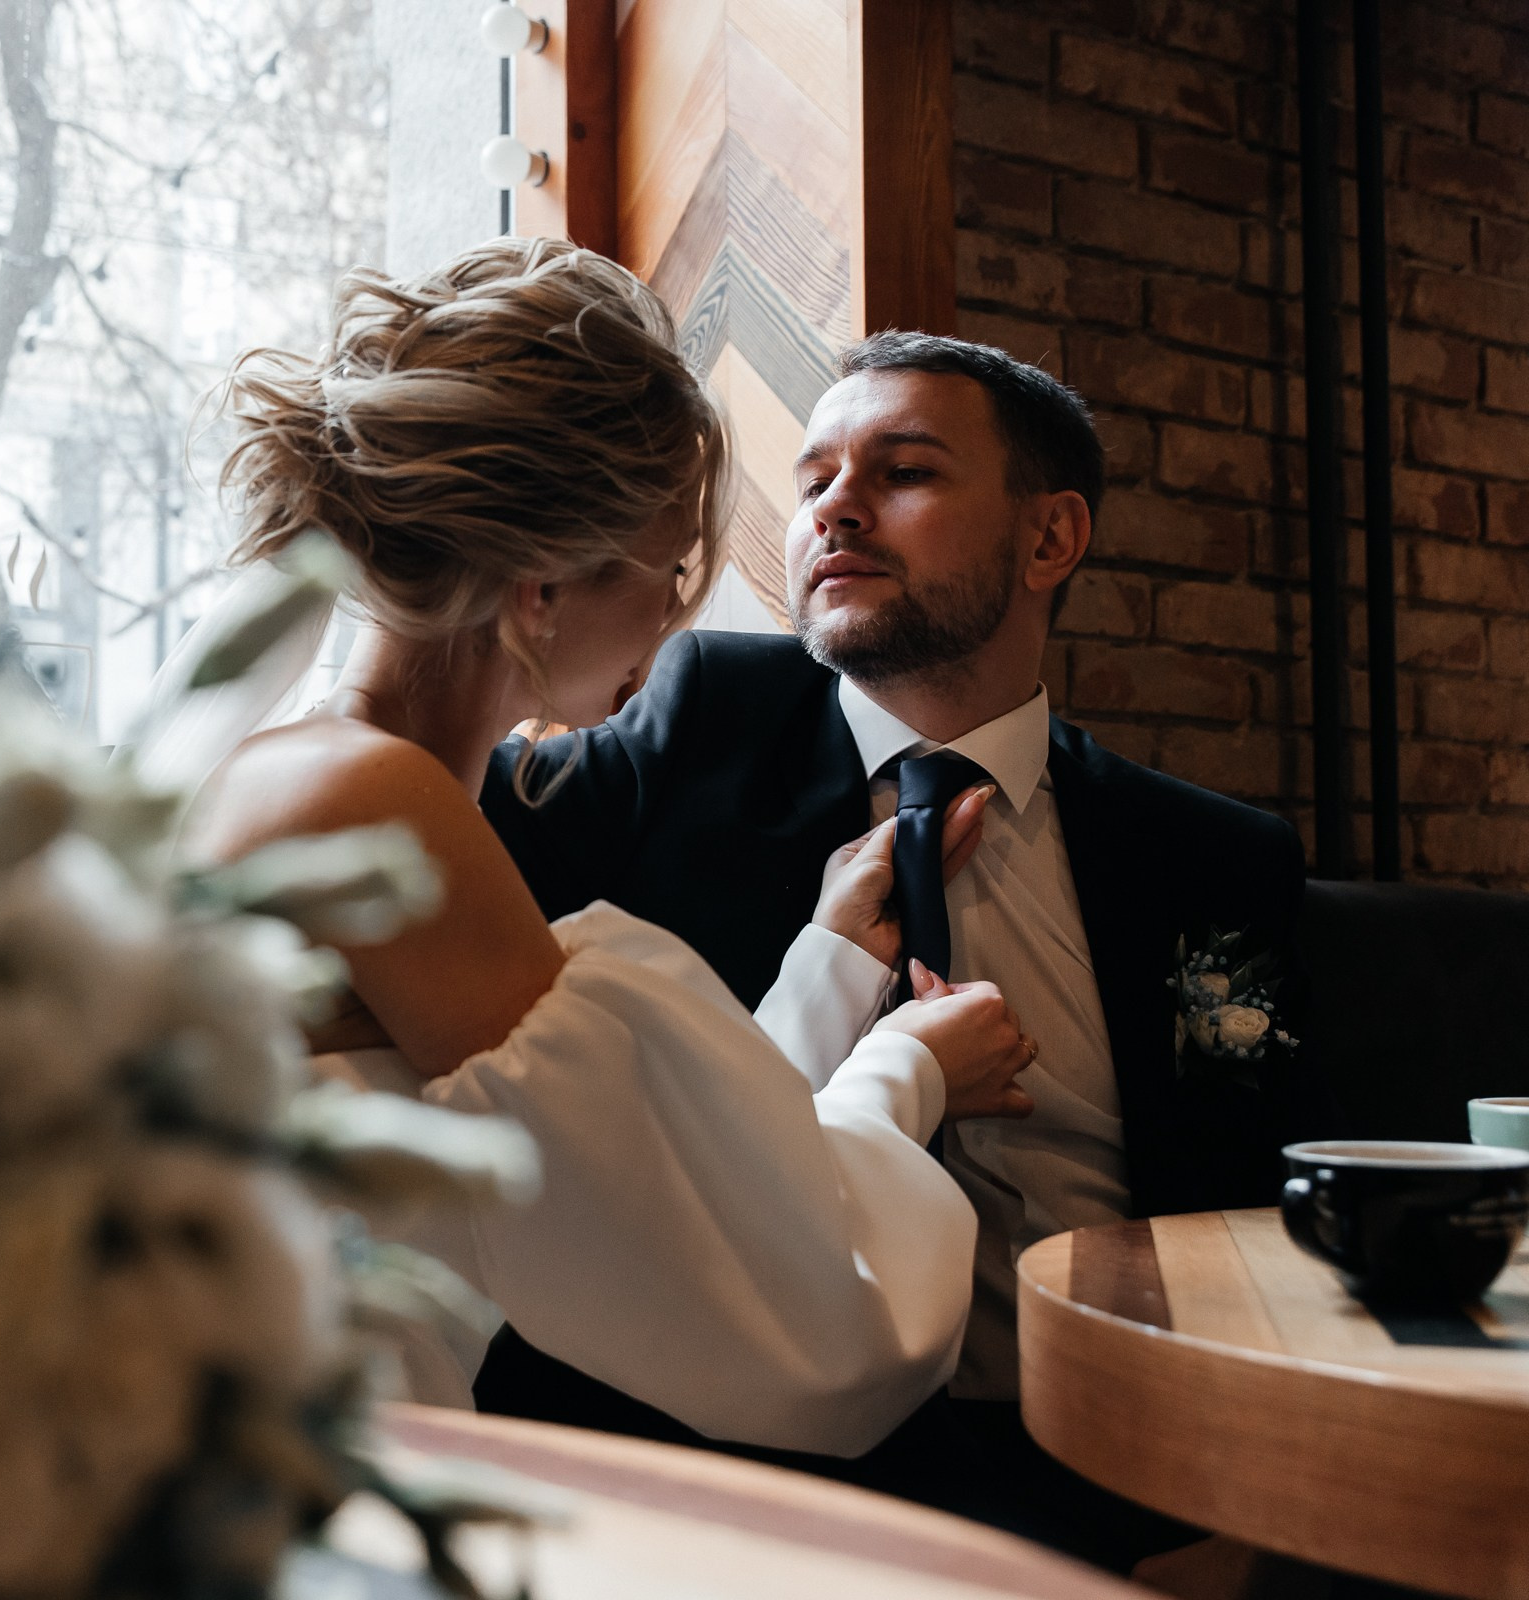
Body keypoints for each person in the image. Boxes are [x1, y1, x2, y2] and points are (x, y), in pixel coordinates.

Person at [477, 331, 1331, 1569]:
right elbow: (431, 812)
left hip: (1116, 1463)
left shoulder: (1215, 856)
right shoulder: (693, 717)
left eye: (905, 473)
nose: (835, 509)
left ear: (1050, 540)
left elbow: (1271, 1196)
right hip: (753, 1474)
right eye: (815, 477)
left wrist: (1238, 1500)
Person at [180, 238, 1036, 1459]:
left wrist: (824, 969)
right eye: (674, 562)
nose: (677, 613)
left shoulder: (324, 775)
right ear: (545, 586)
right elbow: (793, 1324)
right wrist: (906, 1066)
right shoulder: (372, 811)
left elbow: (634, 1163)